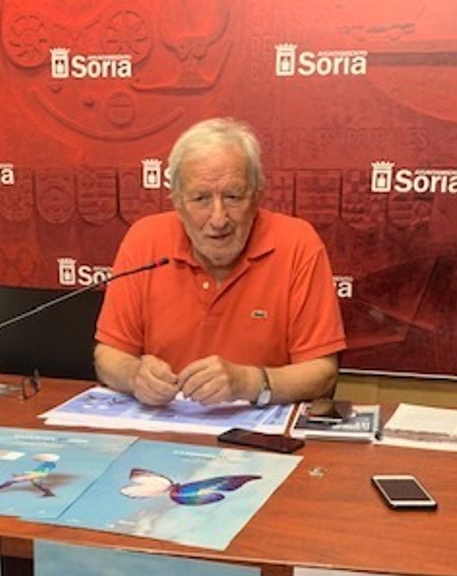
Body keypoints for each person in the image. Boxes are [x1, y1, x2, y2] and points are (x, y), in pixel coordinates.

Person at [95, 117, 346, 407]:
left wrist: (248, 383)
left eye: (232, 196)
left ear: (256, 197)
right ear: (177, 202)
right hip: (164, 423)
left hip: (258, 428)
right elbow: (108, 356)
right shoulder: (144, 239)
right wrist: (134, 375)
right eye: (201, 198)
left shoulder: (298, 243)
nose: (218, 219)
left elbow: (323, 373)